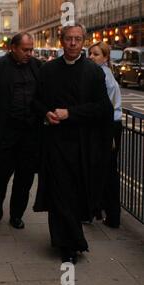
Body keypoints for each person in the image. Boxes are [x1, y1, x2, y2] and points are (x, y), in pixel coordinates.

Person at [33, 24, 113, 264]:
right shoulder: (47, 70)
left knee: (75, 194)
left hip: (82, 145)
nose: (73, 43)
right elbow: (35, 102)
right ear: (61, 41)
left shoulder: (93, 72)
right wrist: (46, 113)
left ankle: (71, 239)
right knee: (60, 193)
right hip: (55, 143)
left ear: (84, 41)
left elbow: (103, 108)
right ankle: (67, 244)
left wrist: (71, 113)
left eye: (78, 39)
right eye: (69, 39)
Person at [0, 33, 41, 229]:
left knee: (25, 177)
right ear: (12, 47)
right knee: (0, 175)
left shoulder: (38, 67)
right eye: (25, 49)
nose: (29, 53)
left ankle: (16, 215)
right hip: (4, 131)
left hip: (30, 133)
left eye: (31, 49)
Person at [88, 42, 123, 228]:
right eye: (90, 54)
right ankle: (102, 211)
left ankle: (111, 214)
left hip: (108, 126)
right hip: (111, 125)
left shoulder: (102, 75)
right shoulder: (105, 73)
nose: (92, 57)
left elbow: (104, 108)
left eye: (96, 54)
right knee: (106, 171)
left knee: (107, 172)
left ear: (106, 57)